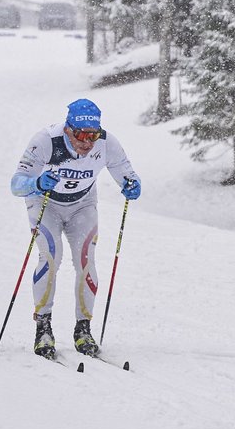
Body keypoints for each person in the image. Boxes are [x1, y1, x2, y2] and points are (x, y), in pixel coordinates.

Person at [10, 98, 142, 360]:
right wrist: (37, 182)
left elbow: (128, 175)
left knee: (86, 261)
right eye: (80, 134)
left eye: (92, 135)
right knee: (50, 256)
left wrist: (132, 185)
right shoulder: (46, 140)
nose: (87, 142)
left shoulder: (107, 143)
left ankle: (84, 328)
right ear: (68, 129)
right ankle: (43, 326)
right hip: (45, 202)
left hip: (82, 204)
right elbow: (16, 184)